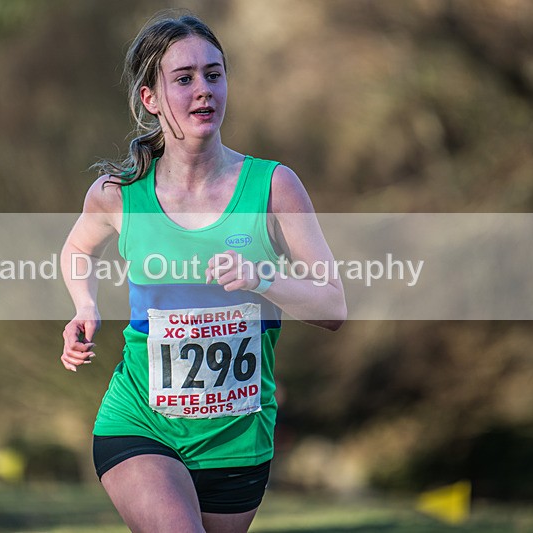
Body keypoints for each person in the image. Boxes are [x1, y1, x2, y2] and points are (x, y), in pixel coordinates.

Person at [60, 11, 346, 533]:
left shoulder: (274, 187)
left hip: (238, 434)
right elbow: (77, 249)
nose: (203, 91)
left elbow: (333, 306)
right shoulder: (119, 194)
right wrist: (85, 305)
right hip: (141, 420)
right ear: (150, 97)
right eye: (184, 78)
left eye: (214, 75)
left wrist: (261, 277)